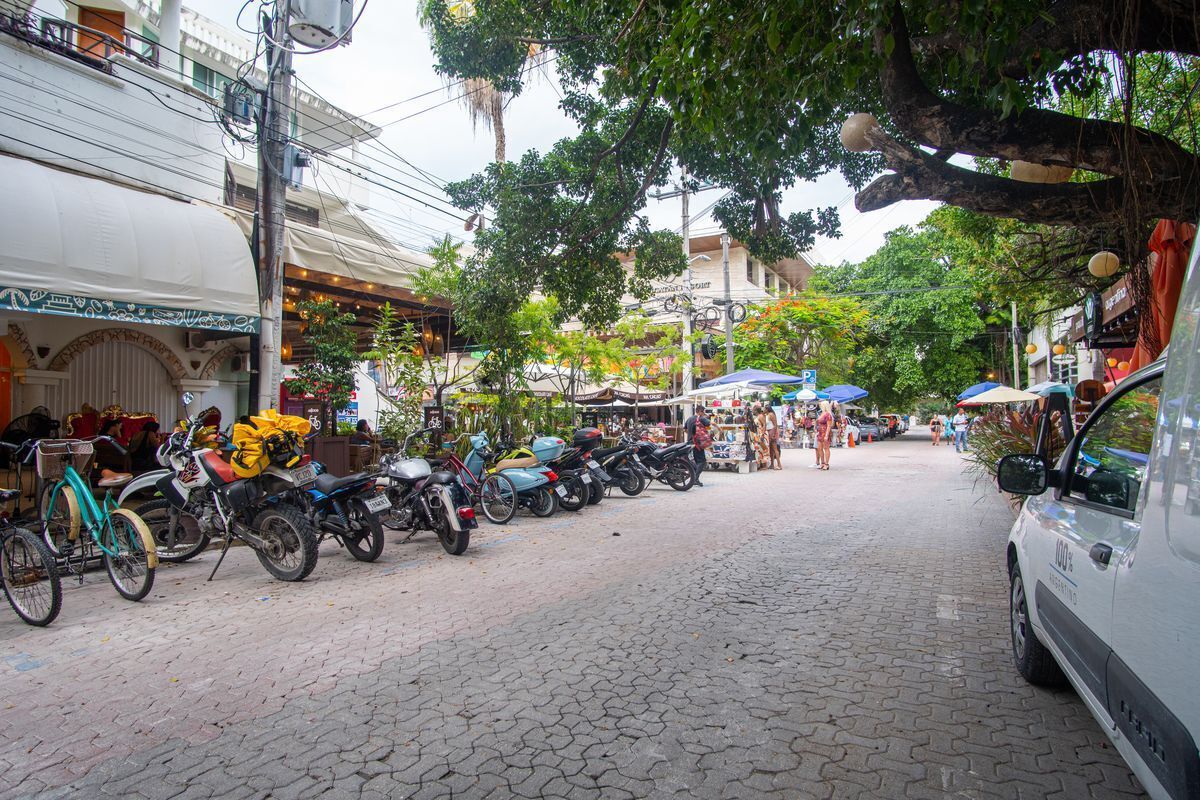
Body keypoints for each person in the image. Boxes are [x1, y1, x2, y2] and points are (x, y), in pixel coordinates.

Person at [684, 406, 711, 487]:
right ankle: (695, 479)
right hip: (697, 443)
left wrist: (691, 435)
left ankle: (695, 478)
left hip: (689, 442)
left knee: (695, 460)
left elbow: (685, 429)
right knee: (702, 461)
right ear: (700, 411)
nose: (703, 414)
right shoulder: (701, 418)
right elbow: (710, 424)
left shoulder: (689, 419)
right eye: (703, 412)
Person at [815, 400, 834, 470]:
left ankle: (826, 463)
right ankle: (822, 462)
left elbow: (829, 426)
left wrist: (826, 435)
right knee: (819, 448)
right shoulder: (822, 413)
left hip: (825, 432)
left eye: (821, 405)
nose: (820, 406)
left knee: (826, 448)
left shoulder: (828, 414)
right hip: (820, 433)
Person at [765, 405, 782, 470]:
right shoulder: (769, 414)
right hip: (770, 432)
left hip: (772, 432)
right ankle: (772, 464)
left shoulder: (771, 415)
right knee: (771, 449)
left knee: (775, 449)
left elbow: (775, 425)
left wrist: (774, 434)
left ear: (767, 409)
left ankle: (779, 464)